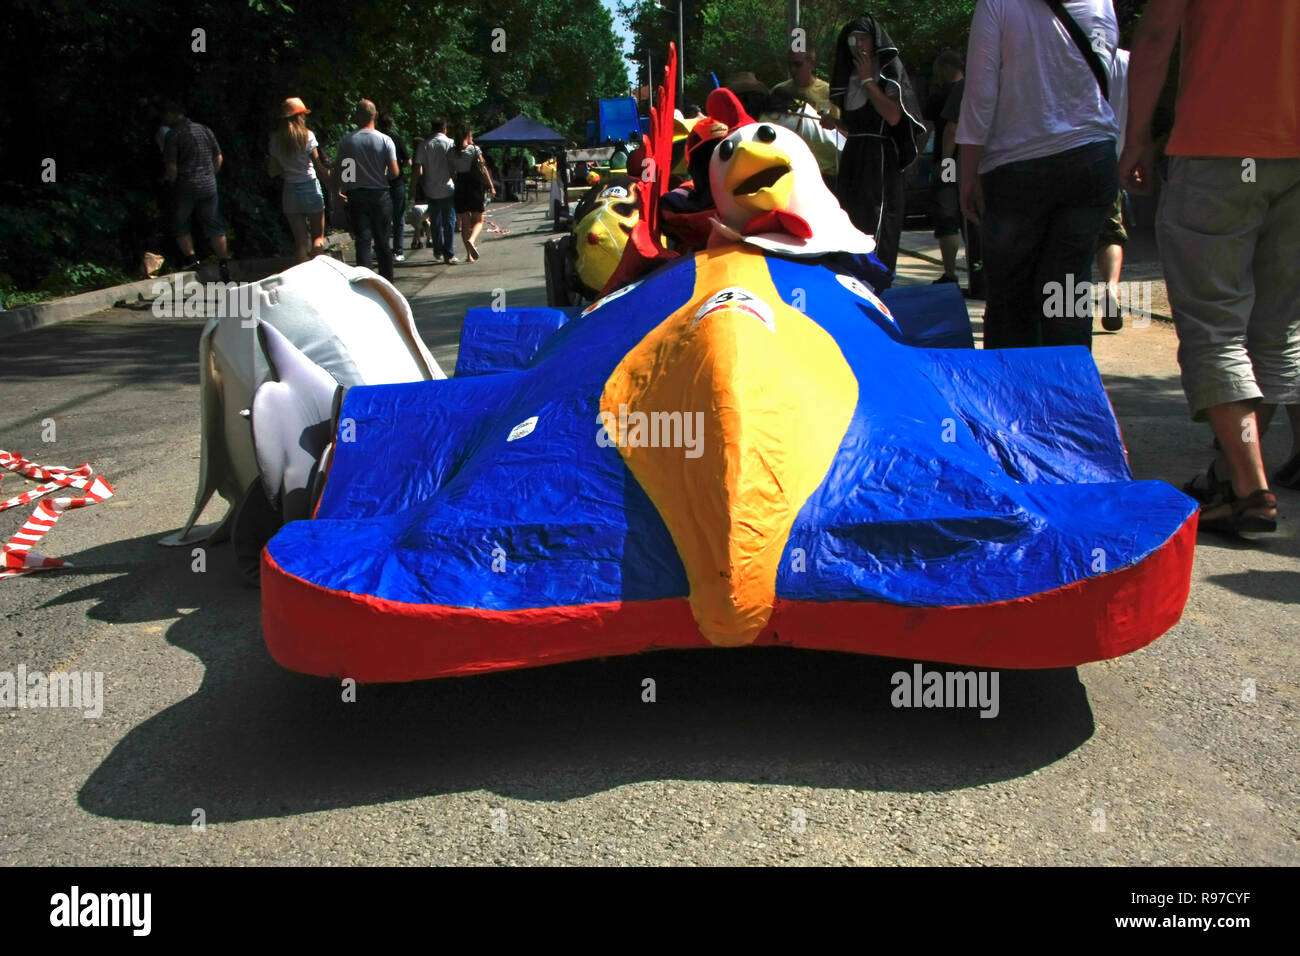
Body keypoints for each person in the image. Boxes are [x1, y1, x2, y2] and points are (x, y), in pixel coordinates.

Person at [1120, 0, 1300, 532]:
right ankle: (1233, 471)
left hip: (1218, 148)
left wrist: (1136, 138)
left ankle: (1250, 492)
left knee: (1214, 327)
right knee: (1277, 326)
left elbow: (1154, 37)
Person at [956, 0, 1119, 351]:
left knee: (1011, 297)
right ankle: (1070, 393)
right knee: (1067, 289)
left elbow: (981, 92)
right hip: (1090, 158)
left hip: (1017, 166)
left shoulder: (997, 4)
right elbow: (1107, 65)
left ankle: (1013, 398)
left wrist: (968, 172)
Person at [824, 16, 925, 278]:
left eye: (863, 37)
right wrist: (835, 122)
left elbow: (893, 116)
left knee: (875, 219)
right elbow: (857, 125)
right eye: (852, 39)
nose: (858, 44)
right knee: (849, 216)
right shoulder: (850, 76)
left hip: (879, 158)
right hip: (854, 153)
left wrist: (869, 81)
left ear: (875, 39)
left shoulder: (888, 70)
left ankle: (876, 280)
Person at [161, 101, 233, 279]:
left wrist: (169, 181)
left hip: (185, 186)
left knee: (181, 223)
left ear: (172, 114)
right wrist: (211, 174)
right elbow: (219, 157)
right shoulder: (205, 130)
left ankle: (193, 261)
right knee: (214, 225)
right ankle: (224, 263)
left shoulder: (173, 135)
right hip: (209, 185)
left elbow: (172, 168)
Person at [334, 98, 399, 280]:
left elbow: (346, 173)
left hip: (357, 195)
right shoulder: (385, 140)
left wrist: (340, 191)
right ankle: (387, 281)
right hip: (380, 195)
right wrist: (381, 173)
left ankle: (366, 282)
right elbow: (394, 172)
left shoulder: (348, 141)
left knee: (363, 241)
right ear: (375, 115)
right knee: (382, 241)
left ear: (357, 116)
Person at [267, 96, 330, 263]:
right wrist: (334, 187)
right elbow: (318, 166)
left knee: (300, 241)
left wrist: (286, 170)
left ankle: (302, 278)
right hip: (310, 187)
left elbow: (272, 171)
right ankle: (317, 274)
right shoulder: (308, 136)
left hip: (290, 191)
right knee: (318, 238)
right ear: (300, 116)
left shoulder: (276, 139)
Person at [924, 50, 966, 285]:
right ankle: (980, 273)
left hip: (948, 162)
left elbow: (934, 130)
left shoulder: (939, 95)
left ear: (945, 67)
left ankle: (950, 273)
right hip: (975, 164)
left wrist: (943, 162)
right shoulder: (977, 89)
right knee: (973, 221)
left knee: (948, 218)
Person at [1096, 47, 1130, 332]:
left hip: (1070, 155)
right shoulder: (1129, 61)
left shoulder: (1069, 52)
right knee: (1110, 231)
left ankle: (1068, 309)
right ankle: (1110, 289)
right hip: (1114, 158)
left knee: (1071, 233)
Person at [450, 124, 496, 261]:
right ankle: (472, 240)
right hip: (474, 185)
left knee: (465, 221)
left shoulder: (451, 152)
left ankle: (469, 255)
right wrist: (491, 185)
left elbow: (451, 172)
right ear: (467, 135)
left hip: (460, 184)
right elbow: (483, 169)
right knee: (478, 219)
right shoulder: (474, 150)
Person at [415, 117, 457, 263]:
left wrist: (413, 187)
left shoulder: (424, 145)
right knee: (449, 221)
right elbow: (454, 166)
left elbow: (418, 168)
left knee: (435, 222)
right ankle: (449, 253)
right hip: (448, 187)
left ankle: (437, 250)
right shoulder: (450, 143)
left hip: (430, 188)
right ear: (444, 129)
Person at [376, 114, 411, 263]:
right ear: (392, 124)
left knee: (380, 218)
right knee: (398, 217)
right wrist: (397, 167)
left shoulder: (374, 139)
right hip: (396, 182)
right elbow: (408, 161)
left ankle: (382, 248)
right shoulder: (396, 139)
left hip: (377, 182)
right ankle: (398, 250)